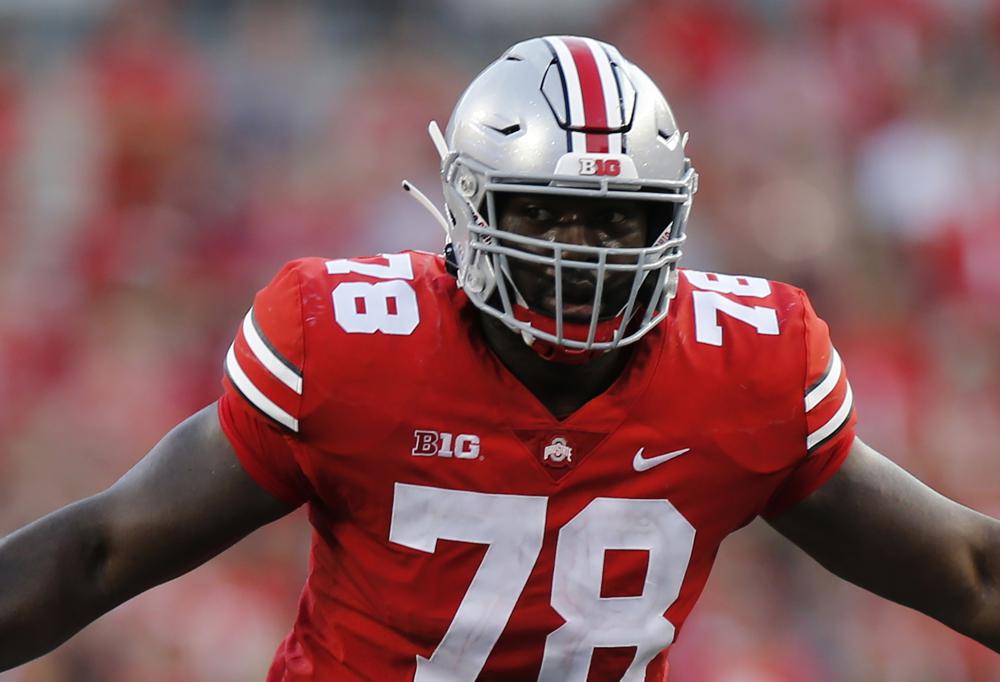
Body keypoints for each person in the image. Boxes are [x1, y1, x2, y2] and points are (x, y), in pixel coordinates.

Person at [0, 34, 997, 682]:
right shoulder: (353, 347)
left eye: (616, 221)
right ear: (469, 208)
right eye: (547, 214)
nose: (580, 251)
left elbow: (968, 572)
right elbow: (102, 550)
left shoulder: (750, 367)